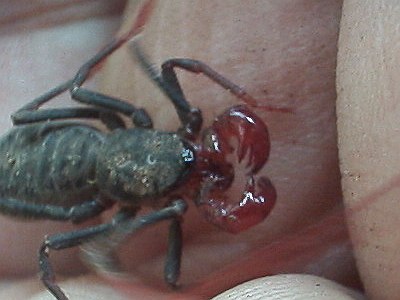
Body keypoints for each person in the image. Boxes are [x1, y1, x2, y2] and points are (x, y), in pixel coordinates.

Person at [1, 1, 396, 299]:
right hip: (54, 164)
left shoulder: (134, 131)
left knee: (81, 93)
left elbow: (163, 68)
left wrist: (246, 97)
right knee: (52, 242)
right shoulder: (137, 193)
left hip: (80, 147)